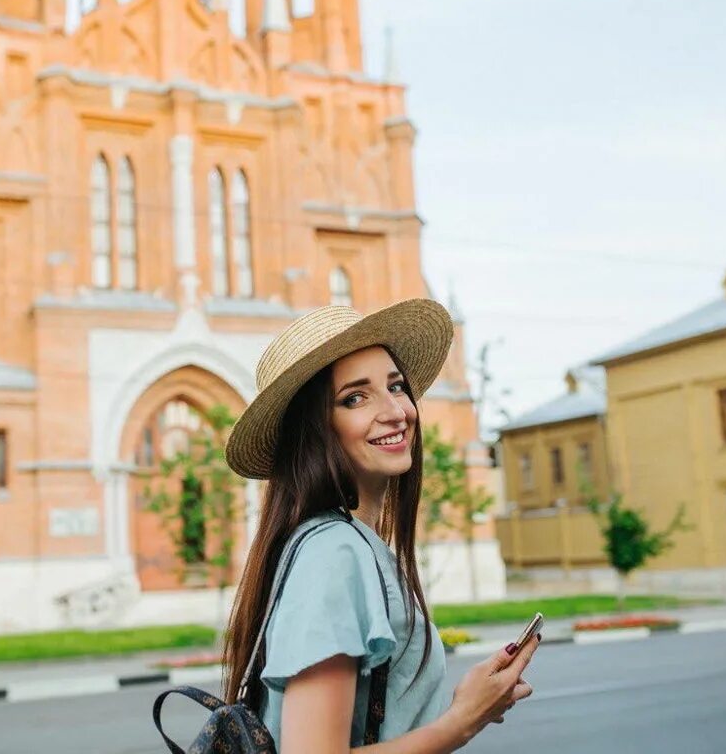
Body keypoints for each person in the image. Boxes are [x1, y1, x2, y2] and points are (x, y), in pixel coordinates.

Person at [222, 299, 539, 752]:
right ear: (315, 431)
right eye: (355, 397)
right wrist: (464, 720)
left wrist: (463, 705)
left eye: (396, 387)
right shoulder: (334, 551)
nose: (395, 410)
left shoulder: (351, 543)